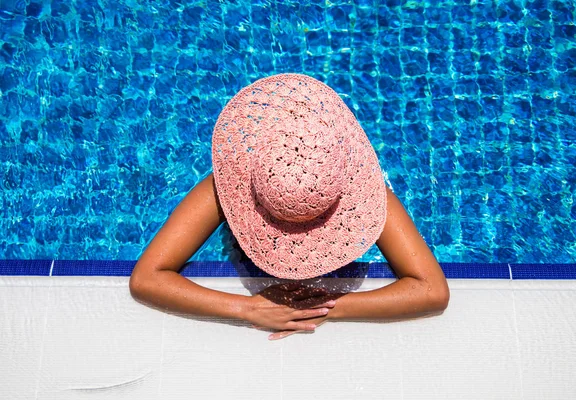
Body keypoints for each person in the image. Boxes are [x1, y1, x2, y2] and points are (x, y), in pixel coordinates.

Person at [129, 73, 449, 340]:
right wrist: (246, 308)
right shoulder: (236, 179)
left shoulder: (357, 189)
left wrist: (324, 307)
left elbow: (432, 291)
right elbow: (146, 280)